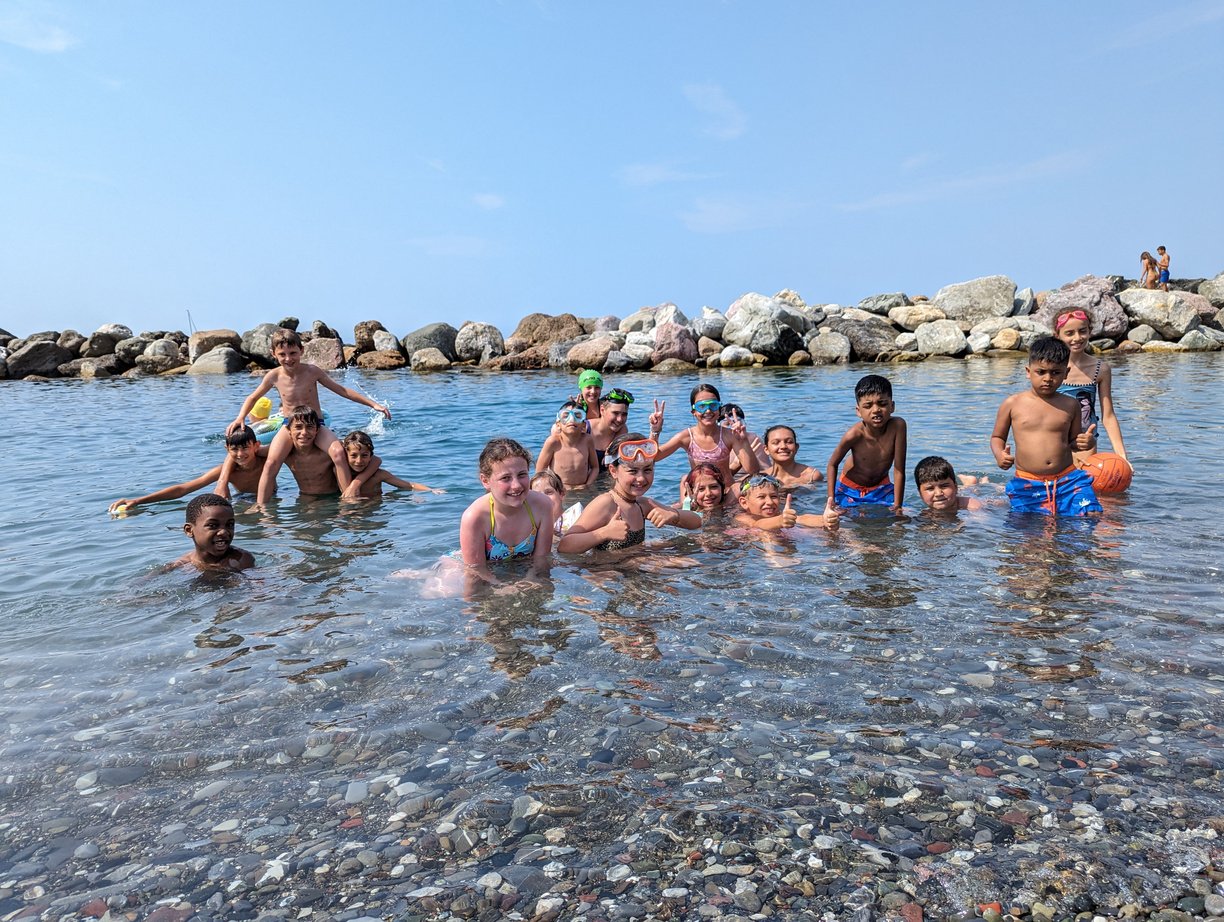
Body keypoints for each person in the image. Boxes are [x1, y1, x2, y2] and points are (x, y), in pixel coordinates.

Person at [226, 328, 391, 504]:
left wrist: (373, 404)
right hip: (289, 426)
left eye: (293, 353)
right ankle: (261, 506)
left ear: (302, 350)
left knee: (337, 453)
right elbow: (252, 397)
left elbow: (342, 390)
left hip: (316, 424)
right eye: (282, 354)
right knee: (272, 462)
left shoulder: (312, 371)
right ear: (273, 353)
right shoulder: (273, 376)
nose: (288, 358)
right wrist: (240, 417)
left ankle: (348, 497)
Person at [990, 336, 1103, 516]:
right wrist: (999, 454)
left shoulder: (1071, 404)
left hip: (1068, 480)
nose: (1048, 378)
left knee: (1091, 515)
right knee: (1029, 534)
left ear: (1066, 373)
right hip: (1028, 482)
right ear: (1028, 371)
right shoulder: (1013, 404)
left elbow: (1072, 442)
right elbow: (997, 437)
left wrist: (1085, 443)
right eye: (1041, 372)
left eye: (1055, 373)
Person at [559, 433, 701, 552]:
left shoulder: (641, 504)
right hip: (608, 576)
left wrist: (673, 515)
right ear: (613, 471)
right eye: (632, 471)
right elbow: (565, 545)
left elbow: (697, 522)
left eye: (647, 470)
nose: (641, 478)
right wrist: (604, 533)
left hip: (632, 569)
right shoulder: (606, 503)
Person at [458, 438, 553, 584]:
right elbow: (475, 572)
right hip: (469, 565)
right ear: (485, 481)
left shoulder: (542, 506)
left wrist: (529, 581)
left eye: (522, 475)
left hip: (515, 567)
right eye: (505, 478)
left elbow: (541, 560)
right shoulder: (475, 517)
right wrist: (503, 588)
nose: (516, 485)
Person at [109, 426, 268, 514]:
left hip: (272, 497)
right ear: (227, 449)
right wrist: (138, 501)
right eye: (234, 449)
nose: (240, 454)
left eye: (245, 448)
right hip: (242, 500)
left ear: (256, 445)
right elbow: (184, 489)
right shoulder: (227, 471)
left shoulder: (268, 461)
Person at [1051, 306, 1131, 472]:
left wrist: (1122, 457)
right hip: (1053, 445)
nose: (1077, 338)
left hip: (1085, 445)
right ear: (1057, 335)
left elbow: (1108, 416)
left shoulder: (1100, 369)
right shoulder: (1049, 368)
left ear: (1090, 331)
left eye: (1082, 331)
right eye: (1069, 333)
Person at [648, 384, 760, 490]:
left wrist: (743, 440)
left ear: (719, 409)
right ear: (693, 411)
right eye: (701, 406)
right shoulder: (686, 437)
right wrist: (655, 430)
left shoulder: (729, 435)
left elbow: (753, 471)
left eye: (713, 405)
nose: (708, 411)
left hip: (728, 493)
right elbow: (654, 457)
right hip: (701, 495)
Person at [826, 374, 907, 513]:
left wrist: (898, 506)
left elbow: (899, 468)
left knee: (901, 518)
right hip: (849, 489)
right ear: (858, 411)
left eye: (882, 403)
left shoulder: (898, 426)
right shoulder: (854, 434)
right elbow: (832, 464)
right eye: (868, 406)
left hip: (881, 487)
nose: (876, 410)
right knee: (845, 521)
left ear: (892, 406)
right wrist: (831, 500)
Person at [339, 431, 444, 498]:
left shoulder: (379, 475)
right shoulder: (340, 473)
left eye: (364, 455)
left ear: (371, 456)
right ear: (345, 455)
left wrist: (430, 490)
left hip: (375, 508)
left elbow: (409, 485)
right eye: (353, 456)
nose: (359, 461)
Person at [171, 494, 254, 572]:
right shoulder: (182, 565)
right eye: (213, 525)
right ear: (189, 530)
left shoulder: (240, 560)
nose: (224, 532)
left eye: (230, 524)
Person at [734, 474, 839, 531]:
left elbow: (802, 519)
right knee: (767, 536)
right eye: (761, 497)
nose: (769, 502)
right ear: (744, 503)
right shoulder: (742, 518)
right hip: (757, 554)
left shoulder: (782, 516)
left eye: (774, 496)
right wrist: (779, 521)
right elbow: (757, 524)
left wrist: (824, 520)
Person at [280, 406, 344, 498]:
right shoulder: (286, 454)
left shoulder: (327, 453)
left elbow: (369, 460)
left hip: (332, 498)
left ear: (317, 430)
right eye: (298, 427)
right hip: (304, 498)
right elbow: (258, 453)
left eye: (309, 427)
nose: (304, 432)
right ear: (289, 430)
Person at [537, 401, 599, 489]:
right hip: (559, 490)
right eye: (565, 416)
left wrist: (587, 485)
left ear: (584, 425)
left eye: (578, 416)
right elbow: (540, 471)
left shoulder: (587, 440)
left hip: (582, 490)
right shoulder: (553, 442)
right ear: (558, 425)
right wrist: (556, 487)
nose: (571, 420)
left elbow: (595, 468)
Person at [913, 456, 983, 513]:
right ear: (920, 493)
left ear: (956, 487)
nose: (938, 493)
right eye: (930, 488)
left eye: (944, 486)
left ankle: (971, 482)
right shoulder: (925, 513)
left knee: (970, 491)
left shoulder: (972, 506)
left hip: (973, 499)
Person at [720, 404, 771, 473]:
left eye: (737, 423)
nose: (734, 427)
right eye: (727, 424)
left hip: (750, 480)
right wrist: (736, 465)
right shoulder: (714, 441)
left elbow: (766, 469)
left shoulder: (753, 440)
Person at [590, 387, 634, 466]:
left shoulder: (622, 430)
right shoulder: (585, 428)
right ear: (602, 410)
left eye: (624, 414)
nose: (620, 419)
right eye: (615, 413)